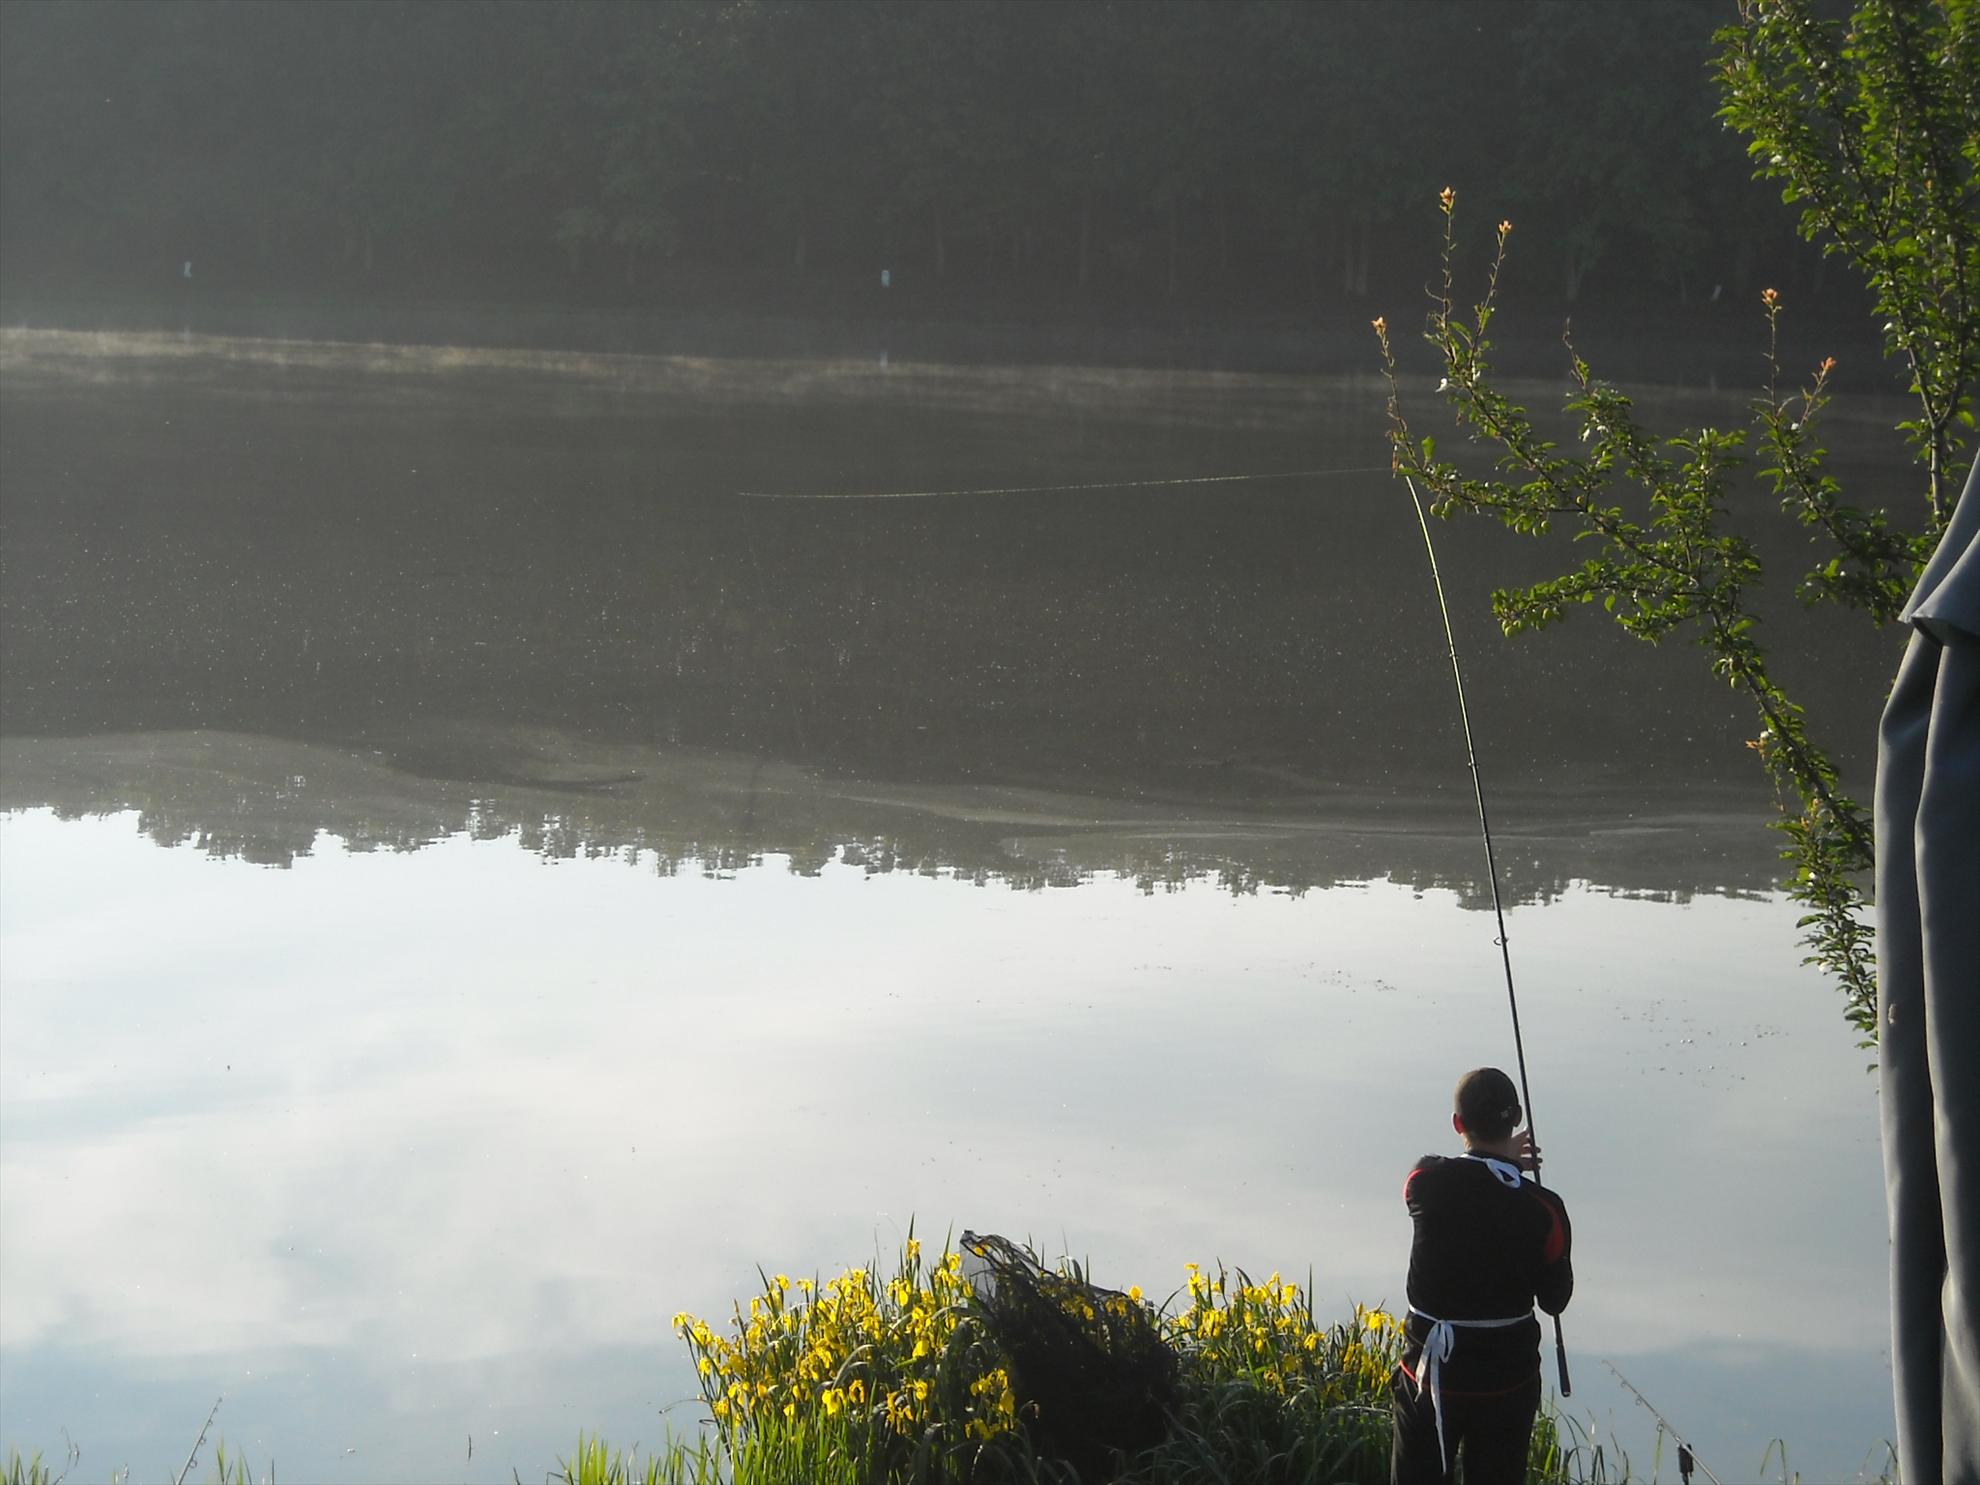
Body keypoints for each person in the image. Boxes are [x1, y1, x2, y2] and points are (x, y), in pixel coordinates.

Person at [1390, 1067, 1573, 1485]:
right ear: (1517, 1118)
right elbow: (1554, 1301)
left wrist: (1500, 1161)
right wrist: (1510, 1170)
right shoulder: (1544, 1208)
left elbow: (1457, 1177)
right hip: (1506, 1384)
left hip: (1431, 1379)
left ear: (1457, 1124)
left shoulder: (1425, 1183)